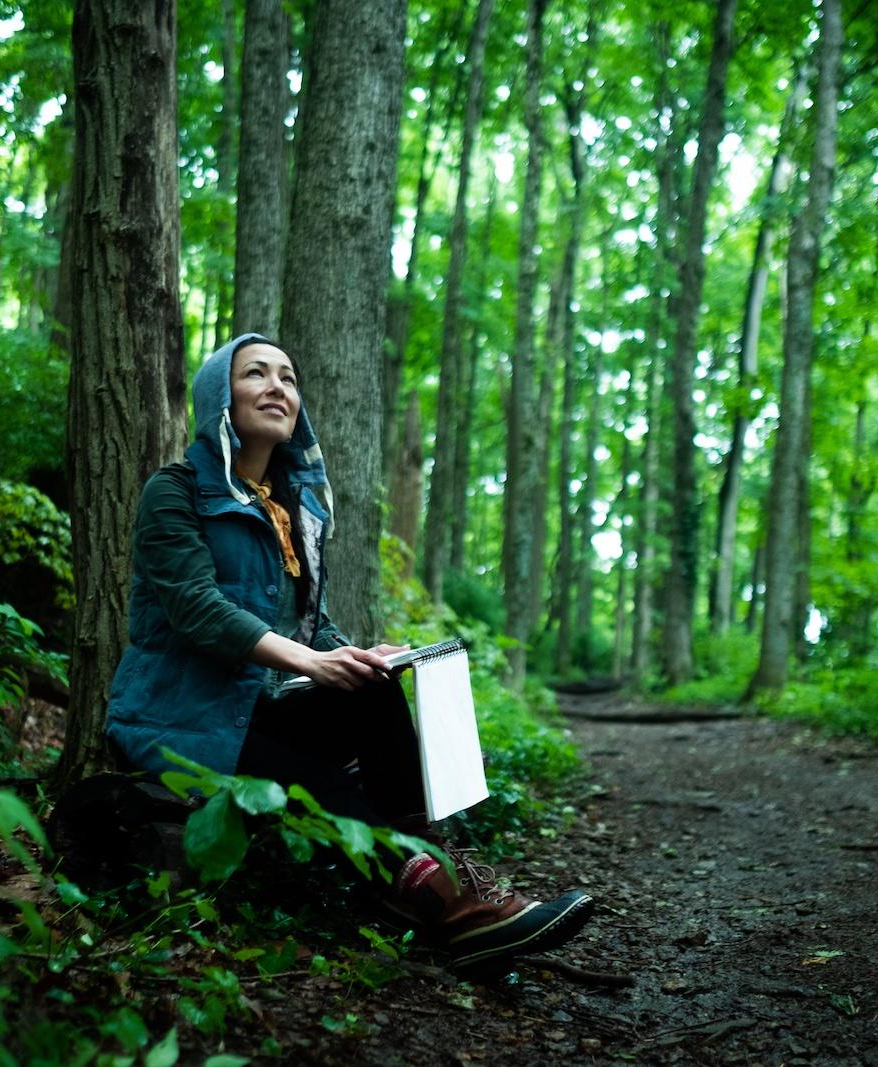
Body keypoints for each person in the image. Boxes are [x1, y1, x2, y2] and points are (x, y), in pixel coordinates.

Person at [105, 333, 594, 972]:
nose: (278, 387)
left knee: (374, 686)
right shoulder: (174, 492)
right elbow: (197, 609)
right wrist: (309, 663)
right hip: (182, 718)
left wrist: (353, 653)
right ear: (219, 396)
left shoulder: (291, 508)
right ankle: (450, 907)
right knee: (324, 783)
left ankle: (443, 881)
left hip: (258, 707)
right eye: (257, 373)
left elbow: (309, 624)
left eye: (288, 376)